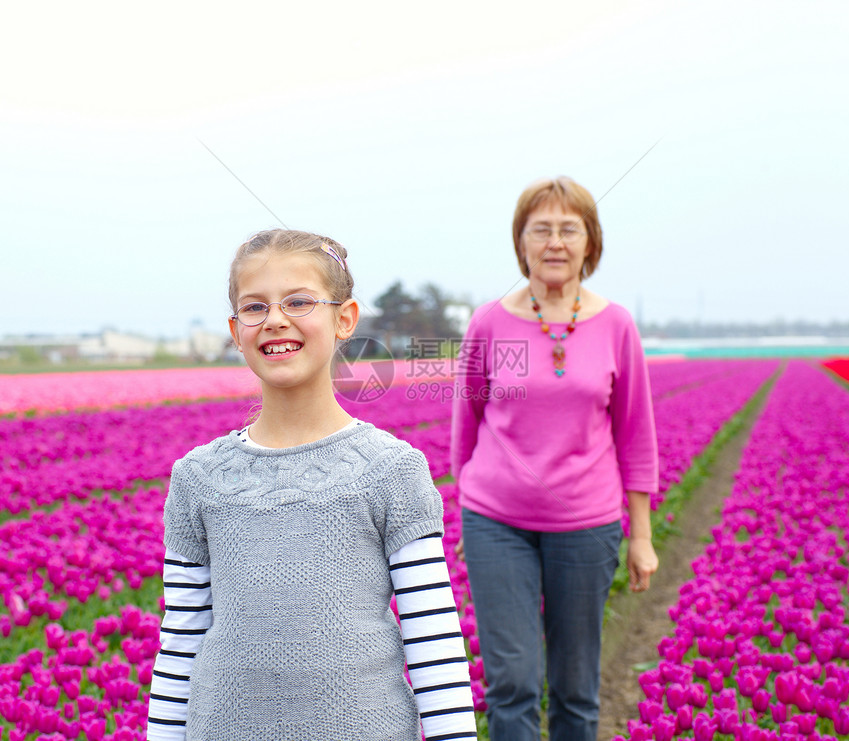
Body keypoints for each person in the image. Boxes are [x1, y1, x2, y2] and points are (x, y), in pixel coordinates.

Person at [147, 229, 477, 741]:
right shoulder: (199, 478)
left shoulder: (391, 470)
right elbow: (180, 644)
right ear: (236, 331)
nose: (275, 319)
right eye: (255, 307)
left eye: (299, 301)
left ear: (344, 319)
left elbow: (432, 638)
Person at [451, 177, 659, 741]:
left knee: (574, 687)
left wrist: (640, 534)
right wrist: (468, 509)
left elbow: (636, 435)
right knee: (512, 682)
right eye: (540, 229)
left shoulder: (615, 326)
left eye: (569, 229)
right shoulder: (489, 322)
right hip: (496, 521)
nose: (555, 242)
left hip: (585, 526)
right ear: (520, 242)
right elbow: (466, 425)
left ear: (590, 242)